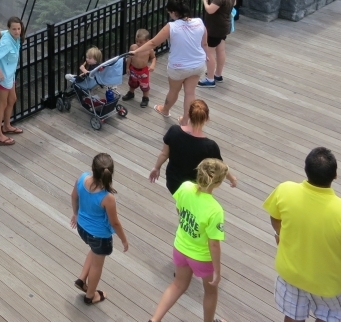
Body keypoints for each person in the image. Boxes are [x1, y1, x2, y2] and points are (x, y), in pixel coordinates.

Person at [264, 147, 341, 322]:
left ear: (306, 170)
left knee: (292, 317)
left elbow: (274, 215)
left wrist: (280, 233)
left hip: (291, 276)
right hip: (329, 286)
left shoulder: (284, 190)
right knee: (329, 317)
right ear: (335, 175)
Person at [147, 158, 230, 322]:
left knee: (178, 285)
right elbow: (214, 244)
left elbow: (179, 209)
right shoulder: (215, 210)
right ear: (218, 183)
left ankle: (154, 320)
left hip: (180, 248)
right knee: (211, 292)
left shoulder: (185, 187)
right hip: (201, 257)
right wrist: (218, 271)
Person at [130, 0, 207, 122]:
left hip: (178, 66)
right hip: (198, 63)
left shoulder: (172, 26)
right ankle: (185, 121)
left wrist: (136, 51)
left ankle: (165, 110)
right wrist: (207, 57)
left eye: (169, 12)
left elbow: (153, 43)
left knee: (174, 90)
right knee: (190, 93)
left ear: (174, 12)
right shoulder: (199, 22)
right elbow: (205, 44)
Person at [70, 153, 129, 306]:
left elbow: (73, 196)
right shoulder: (107, 197)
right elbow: (114, 223)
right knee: (97, 263)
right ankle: (90, 296)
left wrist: (76, 214)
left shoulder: (82, 178)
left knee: (93, 250)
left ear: (93, 169)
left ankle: (82, 279)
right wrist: (124, 239)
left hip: (82, 228)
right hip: (99, 236)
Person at [149, 99, 237, 194]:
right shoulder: (210, 146)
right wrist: (232, 178)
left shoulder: (174, 131)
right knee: (188, 205)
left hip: (173, 181)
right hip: (195, 187)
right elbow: (221, 167)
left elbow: (164, 153)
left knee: (181, 201)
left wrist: (156, 168)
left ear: (189, 114)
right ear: (207, 119)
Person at [0, 16, 23, 146]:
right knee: (1, 105)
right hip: (4, 77)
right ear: (9, 29)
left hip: (10, 74)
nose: (17, 32)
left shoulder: (11, 35)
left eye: (19, 28)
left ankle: (7, 126)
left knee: (12, 99)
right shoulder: (7, 43)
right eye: (14, 29)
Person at [199, 0, 236, 88]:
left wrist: (205, 1)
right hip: (224, 27)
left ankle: (210, 79)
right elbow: (234, 3)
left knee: (209, 53)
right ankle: (218, 75)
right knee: (221, 51)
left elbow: (210, 10)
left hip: (214, 29)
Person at [123, 28, 155, 107]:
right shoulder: (133, 47)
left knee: (145, 85)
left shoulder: (149, 50)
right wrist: (127, 68)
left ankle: (145, 98)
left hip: (143, 71)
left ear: (147, 41)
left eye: (140, 42)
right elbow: (129, 58)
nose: (138, 43)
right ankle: (131, 93)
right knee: (132, 83)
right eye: (137, 41)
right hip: (133, 69)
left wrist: (153, 65)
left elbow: (153, 58)